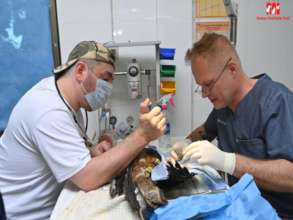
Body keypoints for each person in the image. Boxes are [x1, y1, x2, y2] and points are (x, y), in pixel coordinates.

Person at [0, 41, 166, 220]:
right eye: (105, 78)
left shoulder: (66, 100)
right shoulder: (48, 110)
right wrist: (142, 135)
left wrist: (91, 151)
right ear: (80, 71)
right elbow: (88, 179)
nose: (108, 89)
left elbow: (64, 153)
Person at [171, 33, 293, 219]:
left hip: (276, 212)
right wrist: (186, 143)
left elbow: (290, 175)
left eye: (208, 84)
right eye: (200, 87)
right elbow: (205, 131)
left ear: (232, 69)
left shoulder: (276, 101)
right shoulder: (224, 106)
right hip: (238, 205)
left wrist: (229, 162)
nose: (204, 94)